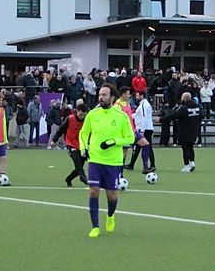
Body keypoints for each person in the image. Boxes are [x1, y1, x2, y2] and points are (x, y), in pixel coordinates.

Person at [79, 84, 134, 238]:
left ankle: (110, 215)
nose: (101, 97)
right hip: (95, 159)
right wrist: (83, 147)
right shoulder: (92, 114)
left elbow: (130, 137)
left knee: (111, 195)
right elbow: (84, 133)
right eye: (100, 94)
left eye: (104, 95)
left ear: (112, 97)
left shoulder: (121, 116)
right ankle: (95, 227)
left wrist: (114, 142)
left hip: (113, 162)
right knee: (93, 191)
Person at [50, 101, 88, 187]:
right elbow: (61, 129)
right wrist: (54, 140)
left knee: (79, 167)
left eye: (84, 115)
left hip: (82, 145)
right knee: (76, 160)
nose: (82, 117)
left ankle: (69, 179)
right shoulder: (70, 119)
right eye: (80, 114)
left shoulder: (86, 121)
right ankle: (83, 177)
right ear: (77, 111)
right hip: (71, 144)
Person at [161, 92, 201, 173]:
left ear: (184, 99)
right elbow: (201, 116)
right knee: (190, 147)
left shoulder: (184, 108)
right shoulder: (197, 108)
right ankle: (192, 162)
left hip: (184, 131)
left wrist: (162, 119)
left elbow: (174, 115)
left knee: (185, 148)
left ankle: (186, 166)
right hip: (194, 130)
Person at [129, 90, 156, 173]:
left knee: (146, 146)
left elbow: (144, 117)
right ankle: (131, 164)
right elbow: (138, 115)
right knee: (138, 147)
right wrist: (128, 116)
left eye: (137, 95)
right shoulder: (142, 104)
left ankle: (152, 165)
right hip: (144, 128)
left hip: (145, 129)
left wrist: (142, 131)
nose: (136, 97)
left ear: (142, 95)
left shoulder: (144, 104)